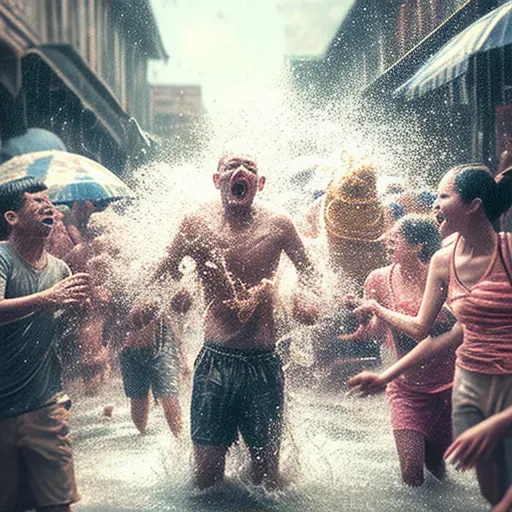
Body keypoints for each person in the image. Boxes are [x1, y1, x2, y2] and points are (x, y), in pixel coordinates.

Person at [132, 151, 321, 490]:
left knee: (267, 481)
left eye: (249, 167)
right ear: (217, 180)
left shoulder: (278, 224)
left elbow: (310, 273)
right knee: (206, 479)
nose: (240, 171)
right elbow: (167, 265)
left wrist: (306, 297)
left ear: (259, 183)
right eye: (232, 166)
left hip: (262, 362)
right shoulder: (196, 223)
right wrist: (149, 296)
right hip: (214, 363)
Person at [350, 163, 512, 506]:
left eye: (443, 196)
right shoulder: (442, 261)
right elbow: (435, 335)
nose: (434, 205)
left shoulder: (509, 252)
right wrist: (385, 376)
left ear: (473, 205)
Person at [341, 215, 456, 486]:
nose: (386, 242)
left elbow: (437, 330)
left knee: (436, 465)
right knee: (411, 472)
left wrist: (378, 309)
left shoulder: (441, 276)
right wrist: (360, 326)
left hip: (447, 387)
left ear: (417, 246)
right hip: (406, 387)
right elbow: (380, 331)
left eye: (395, 238)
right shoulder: (378, 279)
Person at [0, 177, 90, 512]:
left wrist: (81, 311)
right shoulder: (2, 258)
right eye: (36, 201)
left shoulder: (61, 269)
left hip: (46, 405)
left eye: (48, 200)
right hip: (2, 409)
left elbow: (68, 340)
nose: (47, 206)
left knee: (57, 505)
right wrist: (47, 298)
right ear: (12, 217)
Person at [120, 313, 190, 438]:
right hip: (130, 353)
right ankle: (142, 437)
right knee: (138, 402)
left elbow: (169, 319)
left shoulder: (157, 299)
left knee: (169, 399)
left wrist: (183, 357)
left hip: (161, 350)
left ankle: (180, 440)